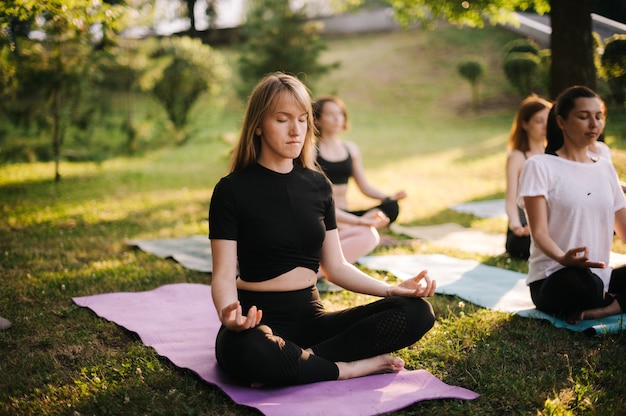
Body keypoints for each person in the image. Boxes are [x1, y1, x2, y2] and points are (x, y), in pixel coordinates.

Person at [208, 73, 436, 387]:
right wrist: (227, 313)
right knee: (249, 351)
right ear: (258, 125)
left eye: (302, 120)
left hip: (313, 317)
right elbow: (221, 275)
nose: (295, 130)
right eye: (282, 119)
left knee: (417, 311)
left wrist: (391, 289)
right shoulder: (231, 190)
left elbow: (336, 267)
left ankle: (301, 362)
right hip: (258, 319)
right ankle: (348, 368)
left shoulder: (317, 185)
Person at [518, 85, 626, 324]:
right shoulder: (539, 166)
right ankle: (611, 300)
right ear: (561, 122)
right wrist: (562, 257)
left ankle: (607, 307)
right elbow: (539, 233)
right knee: (583, 284)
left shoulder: (605, 168)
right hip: (555, 278)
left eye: (599, 117)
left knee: (594, 282)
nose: (593, 124)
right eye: (583, 116)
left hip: (601, 276)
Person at [313, 95, 407, 264]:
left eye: (340, 113)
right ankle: (361, 233)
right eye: (330, 114)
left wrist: (388, 198)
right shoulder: (312, 151)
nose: (337, 118)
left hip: (347, 214)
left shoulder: (350, 148)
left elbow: (364, 186)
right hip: (326, 216)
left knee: (391, 207)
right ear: (317, 120)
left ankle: (355, 231)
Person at [504, 94, 552, 260]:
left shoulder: (555, 154)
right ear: (525, 124)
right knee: (522, 246)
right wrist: (516, 226)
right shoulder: (517, 157)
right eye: (539, 121)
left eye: (548, 120)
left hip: (553, 224)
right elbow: (511, 198)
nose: (545, 126)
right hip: (525, 226)